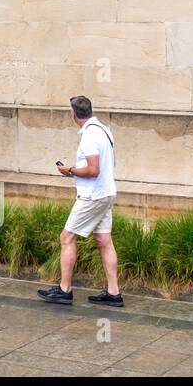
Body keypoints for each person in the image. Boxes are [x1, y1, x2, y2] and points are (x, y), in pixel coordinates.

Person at [38, 96, 122, 307]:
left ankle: (65, 290)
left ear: (73, 114)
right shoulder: (104, 130)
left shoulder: (90, 136)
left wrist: (70, 170)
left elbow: (93, 170)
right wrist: (74, 172)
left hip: (92, 196)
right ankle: (114, 293)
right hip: (106, 193)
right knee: (104, 241)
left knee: (66, 237)